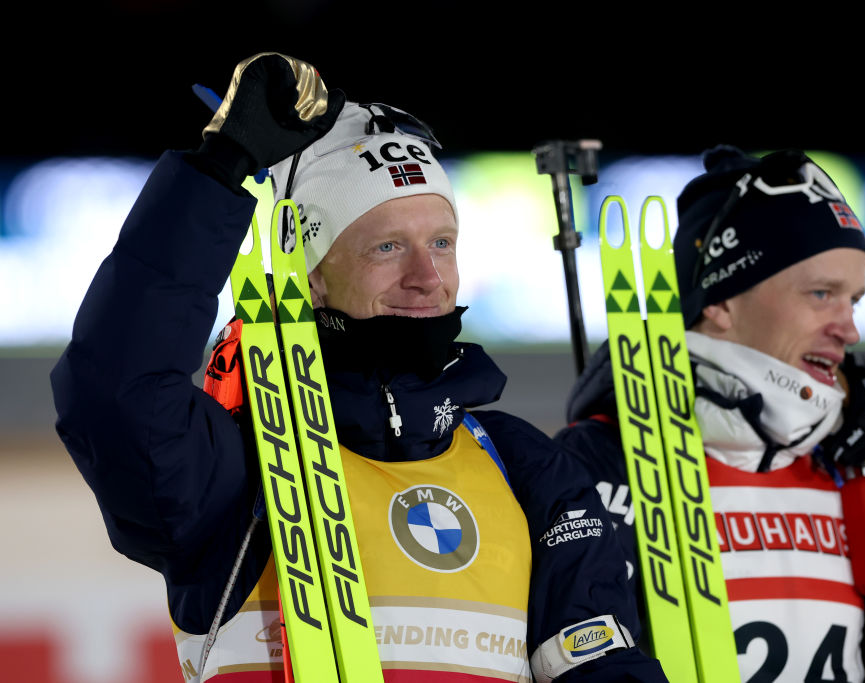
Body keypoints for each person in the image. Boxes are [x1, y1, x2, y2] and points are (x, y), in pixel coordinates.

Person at [50, 53, 666, 683]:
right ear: (310, 277)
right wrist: (217, 169)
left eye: (442, 243)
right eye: (387, 247)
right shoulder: (232, 466)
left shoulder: (523, 465)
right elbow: (114, 389)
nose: (427, 277)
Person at [554, 145, 865, 682]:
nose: (850, 328)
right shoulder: (594, 466)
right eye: (821, 294)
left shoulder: (851, 470)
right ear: (720, 302)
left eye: (853, 301)